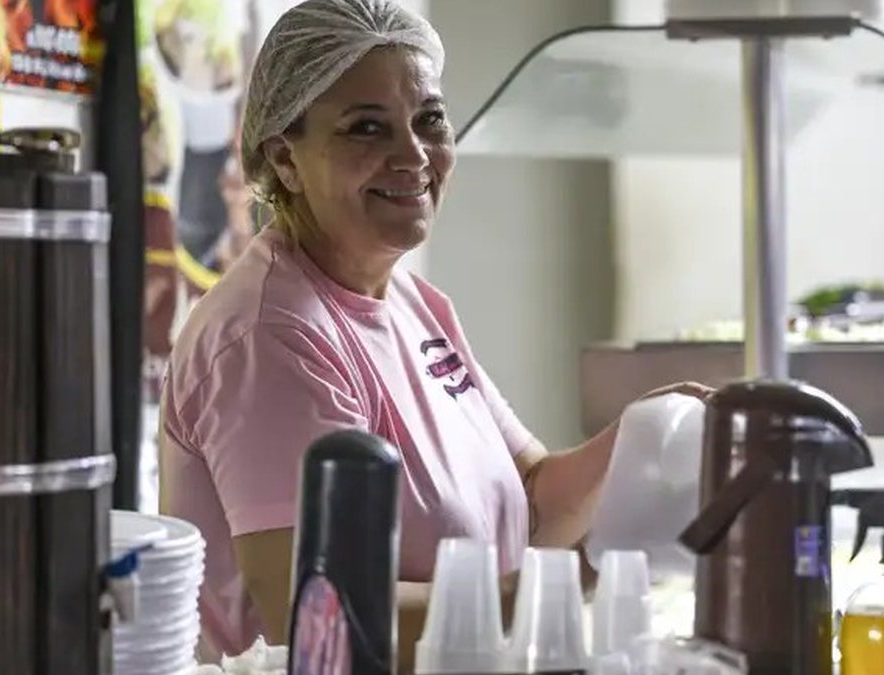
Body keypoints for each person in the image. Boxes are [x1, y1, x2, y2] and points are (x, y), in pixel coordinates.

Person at [157, 0, 711, 669]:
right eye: (367, 128)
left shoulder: (413, 301)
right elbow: (320, 623)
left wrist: (658, 429)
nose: (413, 154)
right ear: (286, 159)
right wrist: (582, 576)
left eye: (430, 120)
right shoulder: (268, 336)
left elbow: (528, 502)